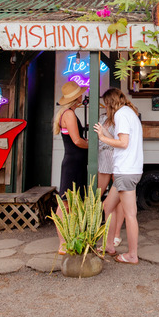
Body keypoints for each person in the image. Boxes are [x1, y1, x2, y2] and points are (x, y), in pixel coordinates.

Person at [94, 88, 144, 264]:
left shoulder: (122, 115)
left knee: (130, 214)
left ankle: (132, 254)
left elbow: (123, 143)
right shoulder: (129, 112)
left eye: (105, 105)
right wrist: (105, 132)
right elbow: (120, 138)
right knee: (108, 206)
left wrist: (102, 137)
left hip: (125, 170)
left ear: (109, 103)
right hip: (129, 169)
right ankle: (109, 245)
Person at [53, 81, 89, 255]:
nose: (82, 96)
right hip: (73, 163)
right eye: (80, 94)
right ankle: (62, 243)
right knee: (65, 203)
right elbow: (77, 140)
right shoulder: (69, 115)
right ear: (76, 98)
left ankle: (68, 239)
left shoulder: (67, 113)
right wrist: (92, 145)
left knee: (70, 203)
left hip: (74, 162)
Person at [97, 111, 125, 249]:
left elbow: (121, 140)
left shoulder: (121, 118)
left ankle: (116, 234)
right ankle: (97, 229)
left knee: (119, 197)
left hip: (117, 157)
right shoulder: (102, 117)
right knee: (97, 194)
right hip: (103, 156)